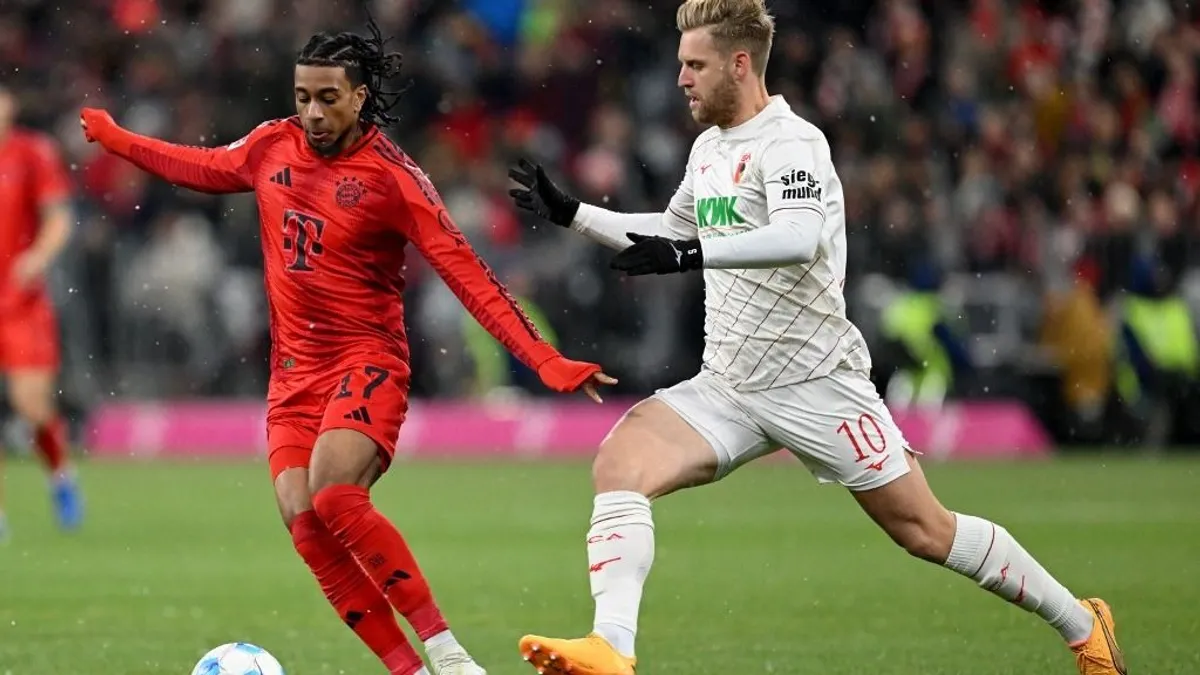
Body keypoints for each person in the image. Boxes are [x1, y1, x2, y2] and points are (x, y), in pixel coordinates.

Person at [506, 1, 1124, 674]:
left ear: (739, 64)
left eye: (695, 65)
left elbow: (797, 237)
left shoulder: (793, 144)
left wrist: (689, 256)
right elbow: (672, 231)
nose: (681, 79)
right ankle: (612, 648)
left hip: (817, 383)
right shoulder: (710, 148)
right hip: (730, 385)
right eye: (681, 65)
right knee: (620, 462)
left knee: (925, 530)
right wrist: (573, 214)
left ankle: (1082, 623)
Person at [81, 16, 613, 675]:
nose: (312, 112)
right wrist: (118, 140)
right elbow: (201, 165)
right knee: (304, 522)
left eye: (328, 98)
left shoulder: (394, 178)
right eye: (302, 96)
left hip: (367, 362)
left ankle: (450, 657)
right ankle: (409, 671)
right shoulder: (271, 145)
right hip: (292, 377)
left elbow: (469, 275)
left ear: (359, 97)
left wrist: (545, 359)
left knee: (335, 494)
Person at [0, 83, 82, 538]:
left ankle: (60, 475)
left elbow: (59, 217)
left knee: (31, 405)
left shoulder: (31, 152)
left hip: (20, 302)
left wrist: (37, 257)